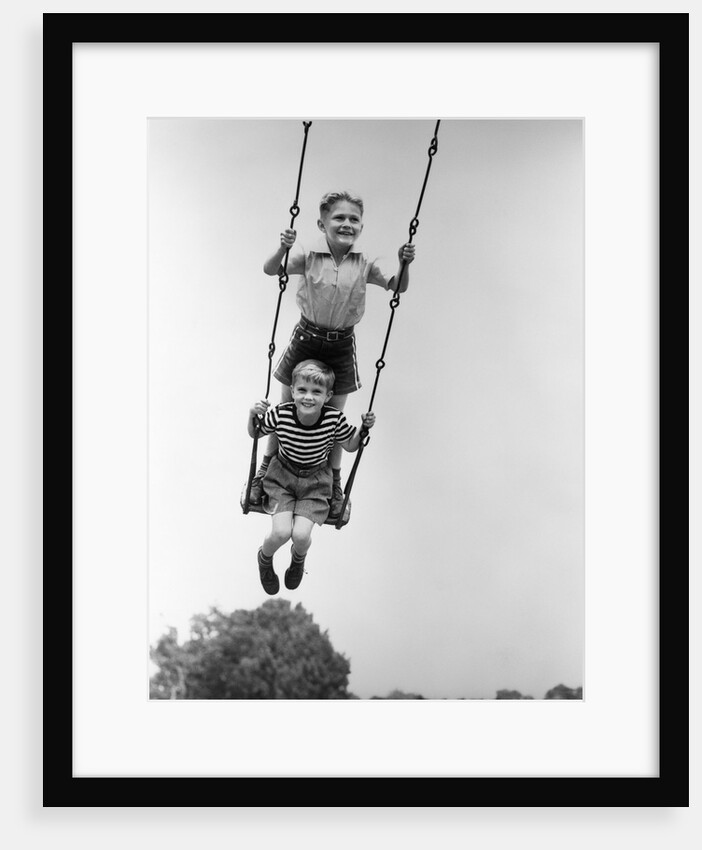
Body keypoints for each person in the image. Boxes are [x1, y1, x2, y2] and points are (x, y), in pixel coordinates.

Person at [249, 190, 415, 518]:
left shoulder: (364, 265)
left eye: (354, 219)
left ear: (361, 227)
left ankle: (334, 484)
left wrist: (403, 263)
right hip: (306, 338)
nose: (346, 224)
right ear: (322, 224)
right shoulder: (308, 258)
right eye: (339, 218)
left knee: (333, 420)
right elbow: (271, 269)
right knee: (285, 410)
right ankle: (263, 474)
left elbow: (398, 286)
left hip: (341, 344)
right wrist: (283, 246)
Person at [248, 359, 376, 594]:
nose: (308, 397)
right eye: (302, 390)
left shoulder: (333, 419)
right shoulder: (281, 413)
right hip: (281, 479)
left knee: (300, 535)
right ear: (292, 392)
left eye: (317, 392)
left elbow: (350, 445)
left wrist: (363, 430)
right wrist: (252, 413)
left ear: (328, 397)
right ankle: (264, 559)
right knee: (280, 533)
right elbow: (255, 432)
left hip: (315, 484)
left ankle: (298, 560)